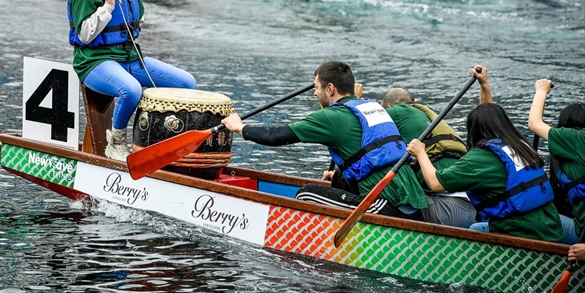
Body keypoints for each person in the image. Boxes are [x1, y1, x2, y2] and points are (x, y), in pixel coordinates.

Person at [222, 61, 428, 218]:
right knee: (338, 178)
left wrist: (239, 127)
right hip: (412, 199)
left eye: (317, 87)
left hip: (383, 203)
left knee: (306, 194)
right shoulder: (370, 106)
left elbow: (275, 136)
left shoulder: (331, 117)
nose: (314, 93)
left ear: (330, 89)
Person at [67, 0, 196, 160]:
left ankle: (160, 137)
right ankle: (116, 142)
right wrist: (107, 7)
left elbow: (139, 18)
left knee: (187, 82)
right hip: (95, 61)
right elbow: (85, 36)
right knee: (131, 89)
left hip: (129, 57)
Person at [406, 77, 566, 243]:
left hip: (522, 231)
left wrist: (421, 153)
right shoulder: (520, 144)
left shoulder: (479, 159)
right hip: (550, 223)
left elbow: (436, 183)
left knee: (474, 228)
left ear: (474, 130)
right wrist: (484, 84)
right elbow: (489, 114)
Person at [358, 84, 474, 228]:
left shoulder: (398, 111)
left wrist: (357, 98)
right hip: (472, 209)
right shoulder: (428, 117)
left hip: (445, 210)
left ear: (388, 107)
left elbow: (362, 120)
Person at [528, 80, 584, 242]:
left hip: (581, 235)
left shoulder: (577, 138)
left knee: (526, 219)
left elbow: (534, 123)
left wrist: (541, 90)